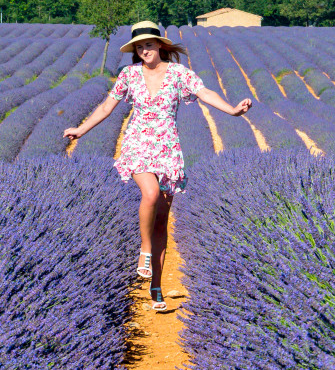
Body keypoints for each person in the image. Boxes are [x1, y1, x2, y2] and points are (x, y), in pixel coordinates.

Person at [63, 21, 252, 311]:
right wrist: (81, 129)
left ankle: (156, 287)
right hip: (138, 145)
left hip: (167, 149)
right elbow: (105, 107)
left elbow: (205, 93)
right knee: (150, 194)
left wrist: (233, 110)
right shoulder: (128, 75)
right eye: (139, 47)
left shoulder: (178, 74)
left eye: (149, 44)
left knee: (162, 221)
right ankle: (145, 250)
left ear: (161, 46)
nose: (144, 50)